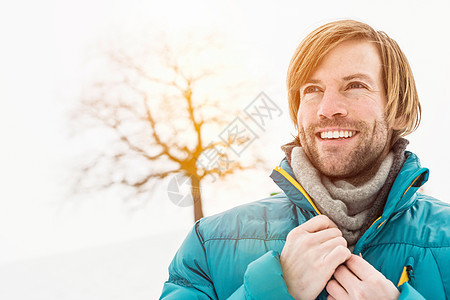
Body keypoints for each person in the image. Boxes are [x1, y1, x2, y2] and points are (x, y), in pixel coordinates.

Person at [159, 19, 450, 299]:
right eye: (312, 90)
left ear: (398, 108)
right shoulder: (209, 246)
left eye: (355, 86)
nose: (327, 108)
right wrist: (272, 291)